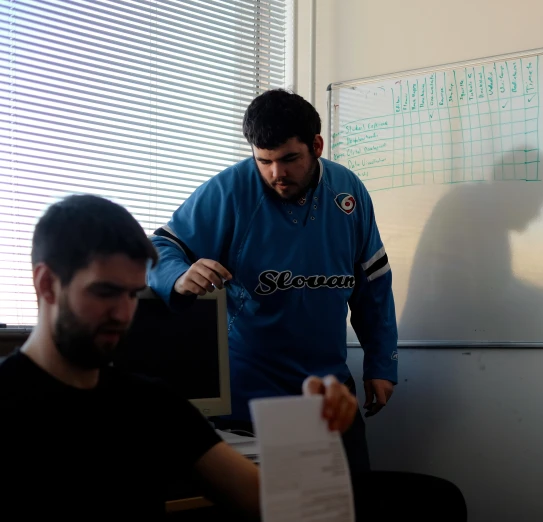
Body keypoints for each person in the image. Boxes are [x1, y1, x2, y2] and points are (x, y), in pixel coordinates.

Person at [0, 194, 357, 521]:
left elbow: (283, 505)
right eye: (105, 291)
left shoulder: (152, 406)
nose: (124, 313)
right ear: (46, 284)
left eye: (132, 294)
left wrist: (313, 427)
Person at [147, 88, 398, 473]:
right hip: (252, 398)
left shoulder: (348, 192)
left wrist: (381, 365)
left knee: (348, 509)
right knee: (277, 512)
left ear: (316, 145)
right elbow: (159, 246)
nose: (276, 174)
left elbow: (373, 285)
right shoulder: (230, 189)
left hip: (328, 393)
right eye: (263, 161)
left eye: (289, 159)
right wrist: (179, 275)